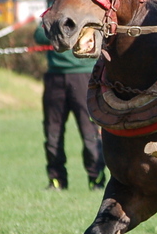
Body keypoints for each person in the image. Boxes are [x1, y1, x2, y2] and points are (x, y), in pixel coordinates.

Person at [33, 24, 106, 190]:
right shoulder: (55, 9)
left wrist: (59, 33)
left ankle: (96, 180)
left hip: (84, 75)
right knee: (53, 132)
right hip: (55, 76)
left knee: (90, 132)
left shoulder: (87, 9)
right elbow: (39, 35)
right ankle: (56, 180)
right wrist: (68, 32)